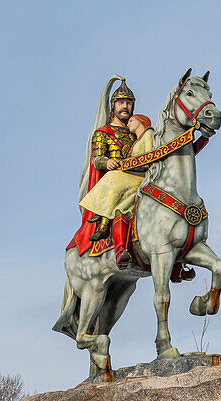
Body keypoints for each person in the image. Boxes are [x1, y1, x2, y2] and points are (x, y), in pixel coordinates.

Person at [68, 78, 152, 269]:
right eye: (121, 102)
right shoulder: (102, 133)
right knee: (122, 205)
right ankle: (120, 249)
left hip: (141, 175)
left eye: (129, 103)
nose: (126, 107)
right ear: (113, 106)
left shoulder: (136, 132)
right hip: (117, 179)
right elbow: (97, 159)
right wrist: (108, 161)